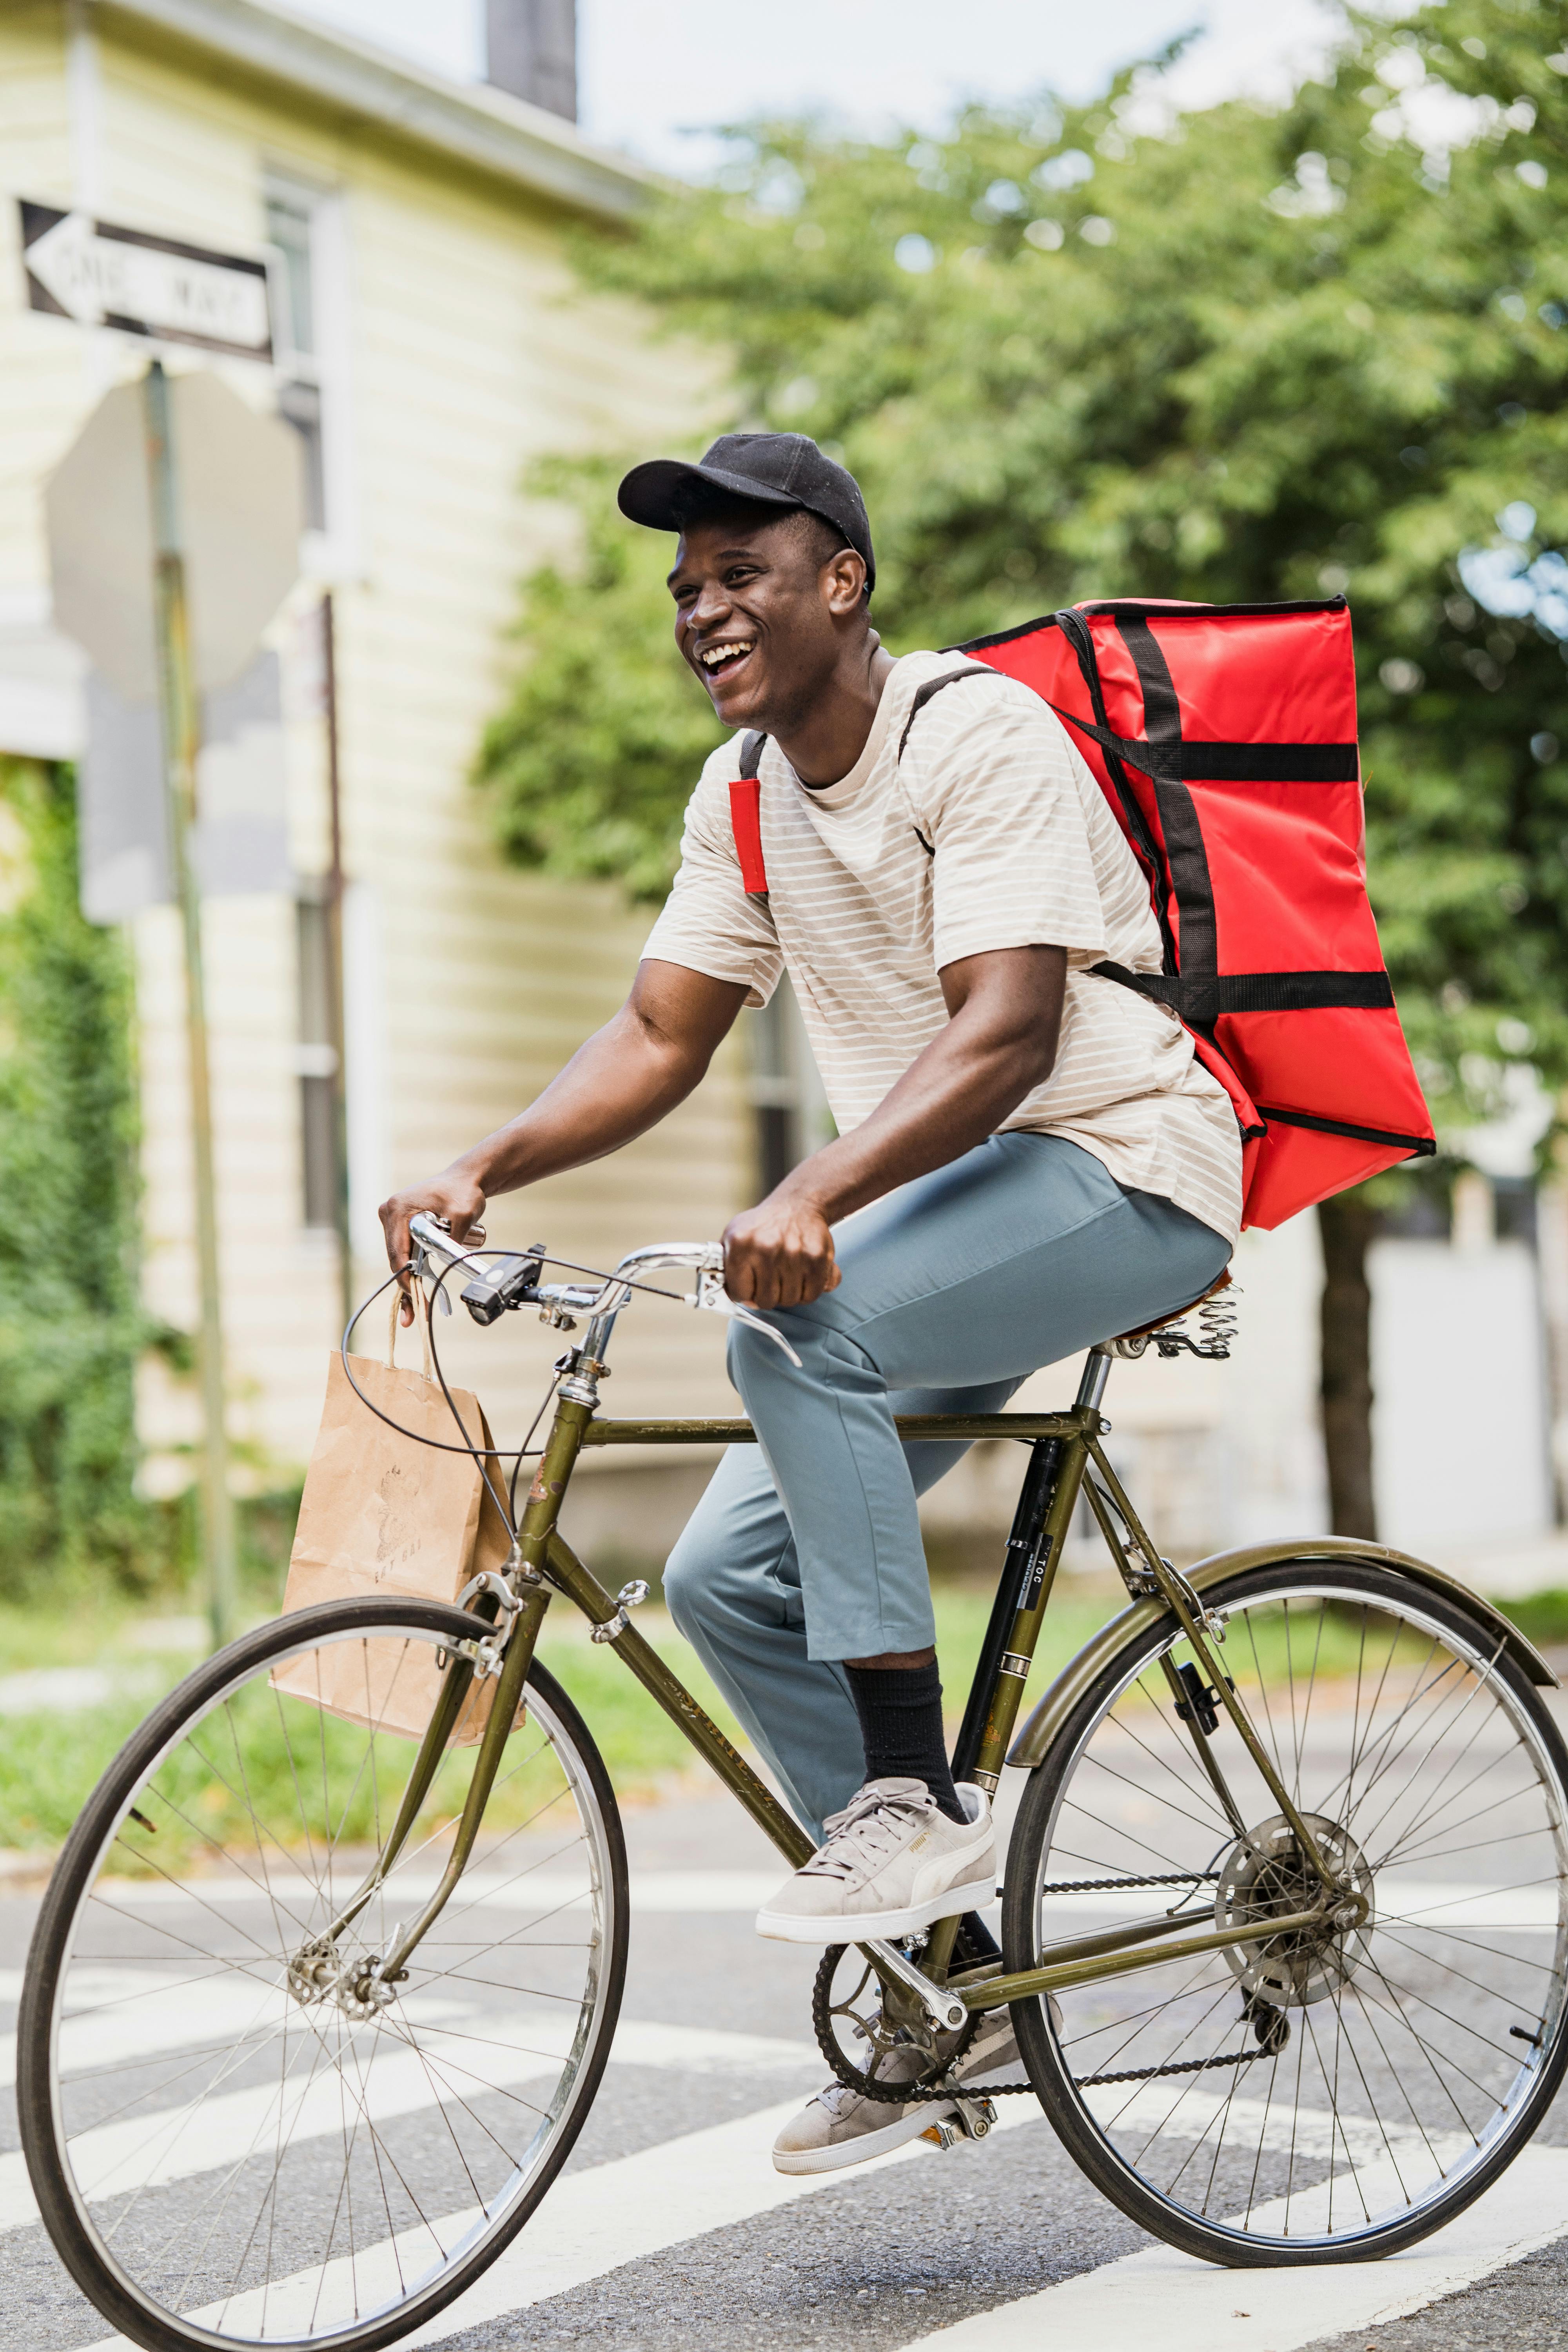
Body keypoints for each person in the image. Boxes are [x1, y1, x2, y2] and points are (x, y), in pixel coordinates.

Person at [381, 431, 1241, 2172]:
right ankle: (947, 1980)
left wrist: (812, 1191)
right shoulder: (747, 797)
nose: (704, 610)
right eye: (685, 589)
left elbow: (1004, 1033)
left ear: (840, 583)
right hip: (951, 1210)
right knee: (722, 1577)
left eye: (741, 573)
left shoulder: (971, 732)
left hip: (1124, 1170)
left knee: (801, 1323)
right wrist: (484, 1167)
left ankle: (911, 1806)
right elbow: (657, 1033)